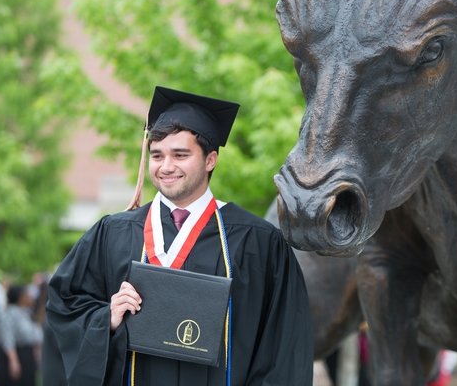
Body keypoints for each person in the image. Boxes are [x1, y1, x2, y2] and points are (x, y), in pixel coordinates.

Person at [46, 86, 313, 385]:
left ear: (210, 160)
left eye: (180, 154)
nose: (166, 166)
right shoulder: (113, 233)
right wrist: (104, 319)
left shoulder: (259, 242)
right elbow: (64, 305)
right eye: (157, 155)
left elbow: (284, 342)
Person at [0, 284, 43, 386]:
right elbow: (8, 339)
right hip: (17, 355)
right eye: (27, 293)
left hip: (27, 356)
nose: (30, 296)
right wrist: (14, 362)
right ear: (20, 297)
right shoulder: (10, 313)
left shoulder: (25, 312)